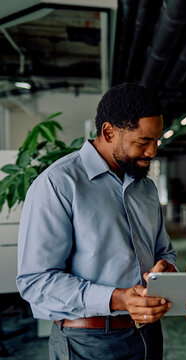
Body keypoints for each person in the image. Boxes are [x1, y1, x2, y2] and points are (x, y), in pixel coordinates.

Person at [16, 83, 177, 360]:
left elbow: (163, 250)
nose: (152, 152)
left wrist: (168, 271)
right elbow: (36, 281)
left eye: (156, 141)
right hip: (87, 341)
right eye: (143, 142)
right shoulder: (59, 184)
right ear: (108, 131)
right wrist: (119, 298)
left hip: (149, 335)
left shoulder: (145, 187)